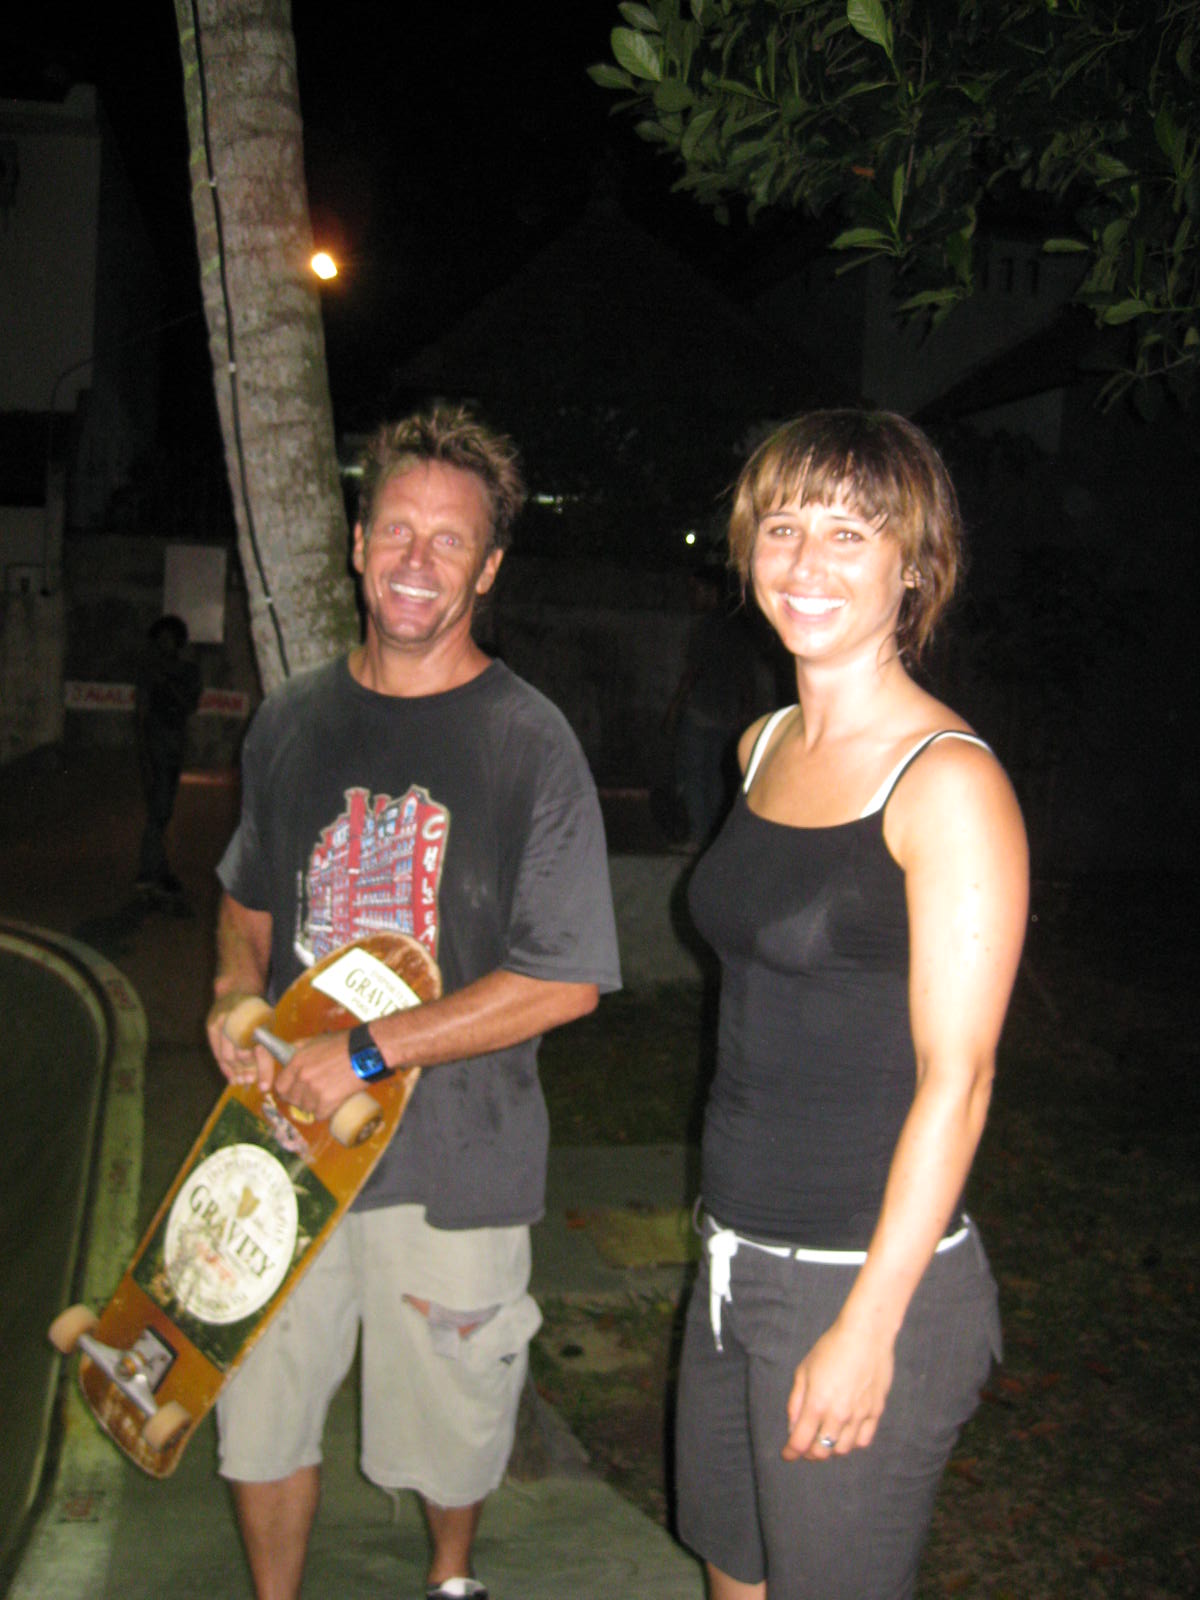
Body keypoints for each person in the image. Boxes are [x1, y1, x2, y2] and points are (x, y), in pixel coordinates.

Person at [205, 404, 620, 1600]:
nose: (416, 560)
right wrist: (233, 997)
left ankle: (449, 1578)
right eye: (396, 529)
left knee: (453, 1415)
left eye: (451, 540)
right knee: (257, 1406)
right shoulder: (291, 722)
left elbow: (565, 978)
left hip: (457, 1158)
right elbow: (247, 905)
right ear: (356, 542)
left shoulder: (528, 743)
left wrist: (365, 1052)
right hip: (285, 1142)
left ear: (488, 569)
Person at [674, 410, 1028, 1600]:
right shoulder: (762, 745)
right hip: (731, 1259)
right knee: (733, 1578)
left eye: (848, 533)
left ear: (913, 565)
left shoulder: (948, 784)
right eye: (782, 527)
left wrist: (871, 1323)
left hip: (863, 1275)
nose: (805, 562)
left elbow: (958, 1080)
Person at [661, 565, 756, 851]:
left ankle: (699, 836)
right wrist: (745, 710)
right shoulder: (737, 628)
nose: (692, 597)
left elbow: (693, 672)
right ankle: (712, 841)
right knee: (716, 780)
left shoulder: (706, 628)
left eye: (696, 590)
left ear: (711, 592)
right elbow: (745, 676)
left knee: (693, 776)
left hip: (703, 713)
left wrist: (674, 708)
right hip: (727, 715)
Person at [135, 612, 201, 901]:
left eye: (169, 639)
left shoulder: (187, 672)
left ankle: (157, 869)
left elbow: (189, 704)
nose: (164, 645)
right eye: (160, 640)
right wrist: (142, 752)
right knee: (158, 811)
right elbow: (141, 711)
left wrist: (167, 682)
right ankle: (149, 873)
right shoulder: (149, 671)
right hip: (156, 746)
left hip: (174, 746)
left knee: (163, 811)